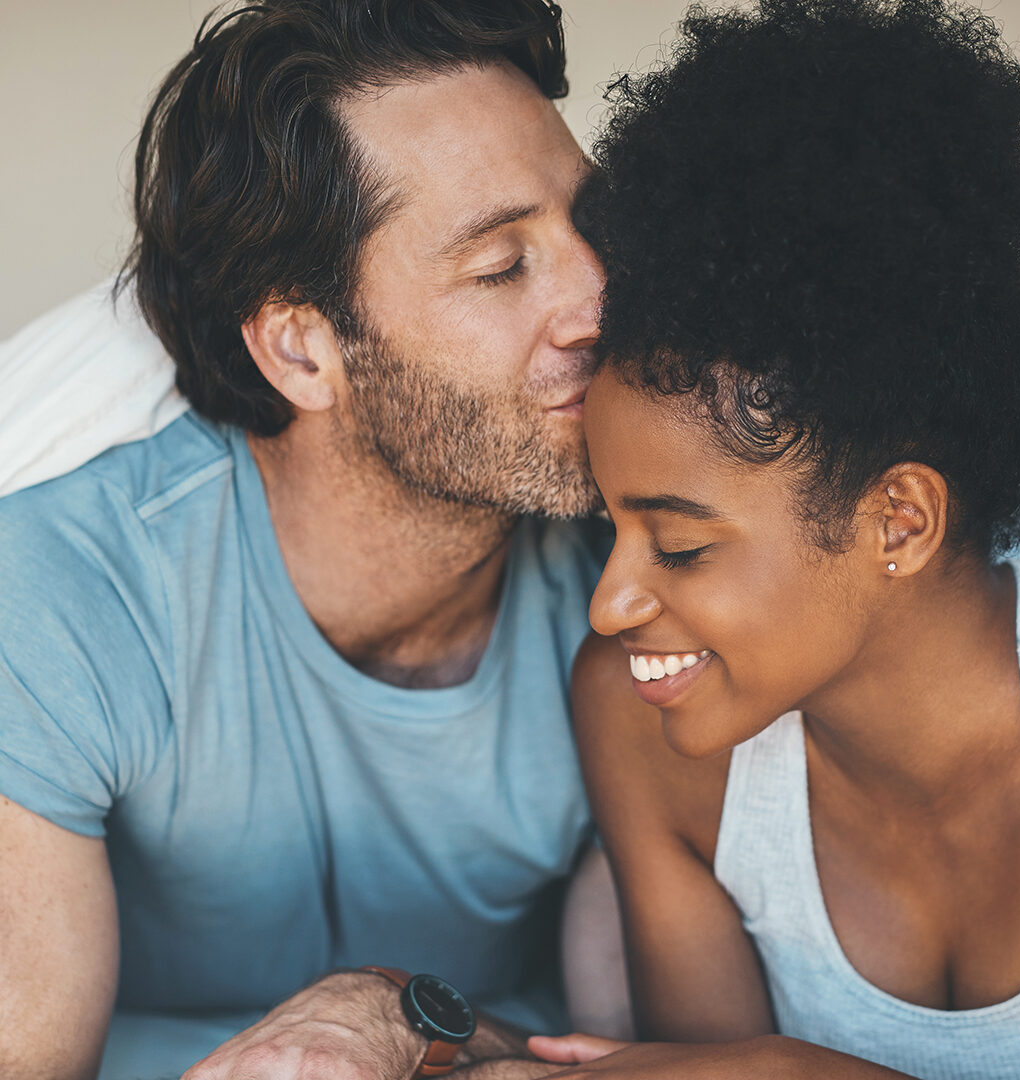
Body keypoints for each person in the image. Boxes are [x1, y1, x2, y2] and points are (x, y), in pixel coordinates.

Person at [0, 2, 619, 1079]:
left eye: (595, 227)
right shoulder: (65, 591)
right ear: (300, 347)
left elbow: (650, 1057)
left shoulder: (646, 573)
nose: (600, 301)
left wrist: (390, 1011)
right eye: (500, 267)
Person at [521, 0, 1020, 1077]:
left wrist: (794, 1069)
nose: (610, 605)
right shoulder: (645, 730)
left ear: (899, 520)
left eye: (679, 547)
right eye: (613, 530)